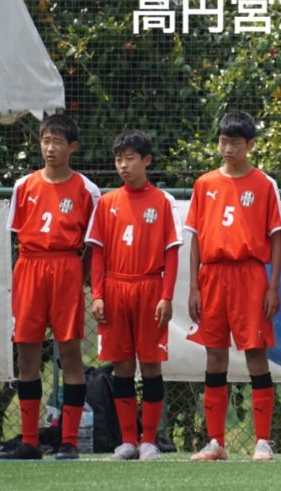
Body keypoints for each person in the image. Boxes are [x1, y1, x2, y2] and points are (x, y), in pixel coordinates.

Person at [0, 114, 100, 460]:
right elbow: (16, 236)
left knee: (70, 354)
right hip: (30, 267)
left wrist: (80, 275)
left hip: (66, 267)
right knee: (27, 354)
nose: (50, 148)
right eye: (45, 140)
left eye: (57, 142)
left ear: (73, 147)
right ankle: (30, 441)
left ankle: (69, 441)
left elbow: (93, 243)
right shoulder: (24, 185)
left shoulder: (87, 190)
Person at [185, 112, 281, 462]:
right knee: (214, 355)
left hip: (249, 276)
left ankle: (263, 441)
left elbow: (277, 239)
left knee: (256, 352)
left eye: (235, 143)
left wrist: (273, 286)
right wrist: (194, 285)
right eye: (223, 141)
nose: (228, 148)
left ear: (250, 145)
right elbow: (196, 237)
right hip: (212, 276)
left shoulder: (264, 184)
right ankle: (216, 442)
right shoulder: (204, 184)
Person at [85, 130, 182, 461]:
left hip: (149, 288)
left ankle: (149, 440)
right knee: (122, 366)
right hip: (115, 289)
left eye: (130, 159)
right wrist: (98, 294)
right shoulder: (107, 202)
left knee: (151, 365)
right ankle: (128, 440)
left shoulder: (163, 201)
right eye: (118, 159)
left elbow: (171, 253)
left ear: (146, 160)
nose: (123, 166)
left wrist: (166, 296)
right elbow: (97, 253)